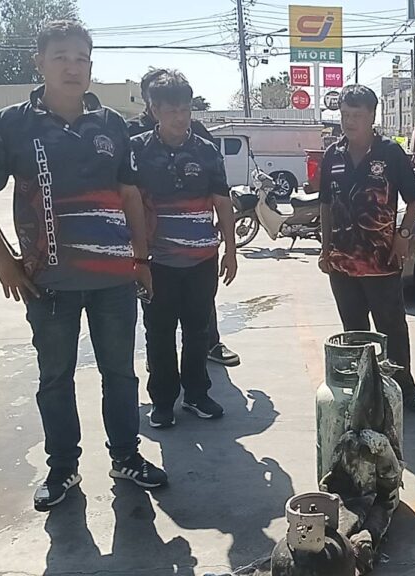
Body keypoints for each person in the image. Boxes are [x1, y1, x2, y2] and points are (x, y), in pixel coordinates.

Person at [0, 20, 168, 512]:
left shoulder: (112, 125)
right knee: (55, 379)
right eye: (61, 57)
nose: (72, 67)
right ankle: (62, 469)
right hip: (47, 283)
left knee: (120, 375)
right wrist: (5, 261)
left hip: (114, 281)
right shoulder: (12, 124)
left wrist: (141, 258)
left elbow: (130, 196)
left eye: (81, 58)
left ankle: (126, 457)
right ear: (39, 63)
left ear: (90, 66)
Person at [131, 70, 238, 428]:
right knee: (159, 333)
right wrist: (137, 258)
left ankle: (196, 394)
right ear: (154, 110)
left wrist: (231, 251)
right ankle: (163, 401)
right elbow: (128, 203)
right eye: (172, 110)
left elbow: (222, 202)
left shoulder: (206, 150)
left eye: (185, 110)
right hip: (157, 263)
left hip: (202, 260)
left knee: (198, 331)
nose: (180, 117)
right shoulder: (138, 150)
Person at [317, 84, 415, 414]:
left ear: (372, 116)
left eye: (357, 115)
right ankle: (363, 391)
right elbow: (325, 204)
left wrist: (403, 235)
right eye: (345, 115)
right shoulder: (333, 155)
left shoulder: (390, 153)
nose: (349, 122)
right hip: (342, 263)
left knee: (392, 328)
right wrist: (325, 249)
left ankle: (405, 388)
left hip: (381, 261)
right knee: (354, 333)